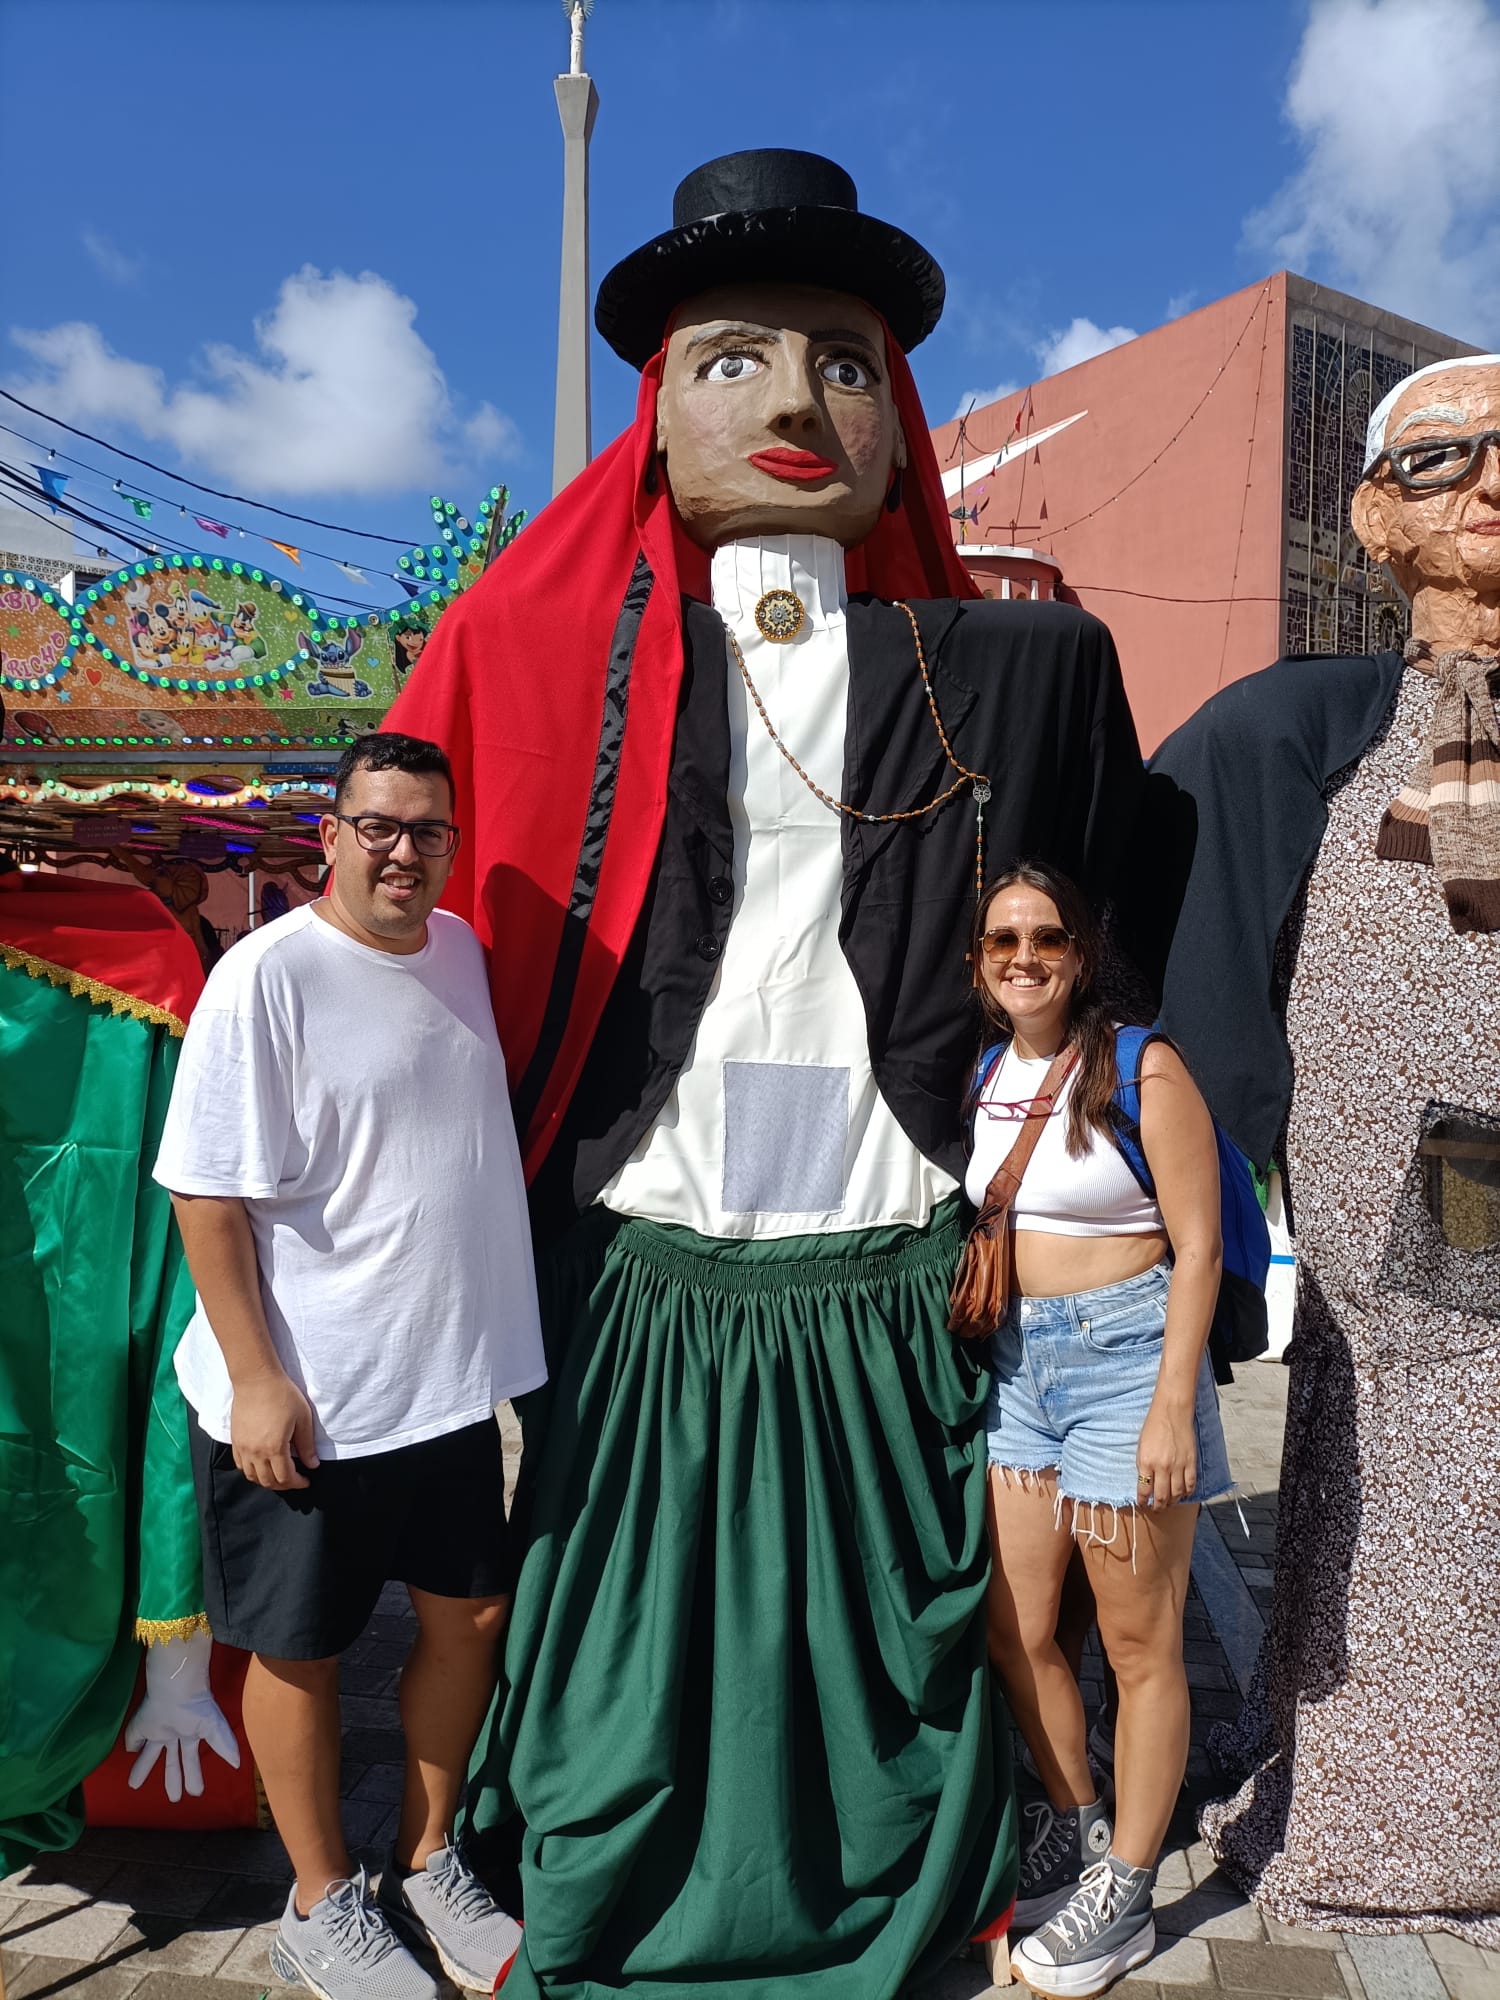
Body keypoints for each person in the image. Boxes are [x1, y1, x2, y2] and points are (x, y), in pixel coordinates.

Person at [387, 150, 1144, 1998]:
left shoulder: (1018, 668)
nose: (799, 405)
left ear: (900, 424)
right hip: (651, 1241)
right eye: (736, 361)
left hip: (890, 1237)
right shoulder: (538, 653)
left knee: (899, 1611)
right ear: (657, 413)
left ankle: (964, 1833)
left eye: (846, 364)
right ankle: (584, 1844)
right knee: (623, 1610)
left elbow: (1123, 941)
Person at [1143, 355, 1500, 1943]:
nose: (1491, 480)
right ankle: (1394, 1806)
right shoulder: (1304, 722)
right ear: (1370, 516)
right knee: (1403, 1440)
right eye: (1446, 456)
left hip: (1476, 1147)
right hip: (1403, 1164)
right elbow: (1164, 902)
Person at [153, 730, 547, 1996]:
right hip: (308, 1390)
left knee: (471, 1616)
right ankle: (321, 1898)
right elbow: (203, 1192)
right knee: (301, 1649)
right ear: (331, 833)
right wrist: (256, 1378)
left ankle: (426, 1857)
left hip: (442, 1382)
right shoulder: (266, 977)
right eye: (377, 824)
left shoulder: (460, 950)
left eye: (428, 828)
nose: (402, 849)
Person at [960, 862, 1232, 1995]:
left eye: (1047, 937)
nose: (1024, 957)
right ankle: (1078, 1822)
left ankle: (1126, 1892)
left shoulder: (1140, 1064)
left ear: (1082, 951)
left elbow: (1200, 1245)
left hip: (1128, 1361)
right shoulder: (987, 1071)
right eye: (1003, 940)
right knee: (1016, 1628)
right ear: (980, 961)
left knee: (1138, 1643)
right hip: (1019, 1367)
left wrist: (1173, 1404)